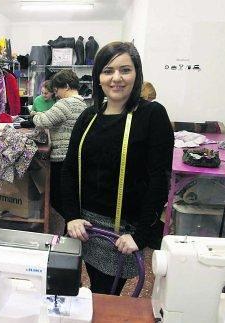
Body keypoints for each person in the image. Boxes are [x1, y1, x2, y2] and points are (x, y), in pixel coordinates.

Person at [60, 42, 174, 295]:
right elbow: (69, 169)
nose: (116, 78)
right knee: (69, 289)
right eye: (108, 70)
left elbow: (159, 179)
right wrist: (71, 216)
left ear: (137, 74)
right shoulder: (88, 117)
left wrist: (142, 235)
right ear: (98, 77)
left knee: (105, 295)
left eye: (125, 70)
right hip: (82, 226)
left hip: (122, 231)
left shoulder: (152, 115)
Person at [32, 69, 87, 216]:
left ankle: (72, 224)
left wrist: (34, 114)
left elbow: (42, 121)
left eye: (57, 90)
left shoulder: (65, 104)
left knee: (56, 198)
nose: (56, 94)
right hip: (74, 156)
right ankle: (71, 224)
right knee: (69, 196)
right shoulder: (83, 104)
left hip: (62, 157)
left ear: (67, 86)